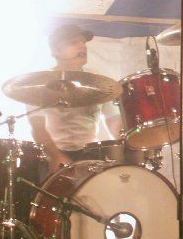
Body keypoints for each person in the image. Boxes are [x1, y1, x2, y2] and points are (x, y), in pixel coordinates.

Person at [28, 24, 122, 178]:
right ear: (55, 51)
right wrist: (54, 155)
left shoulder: (98, 81)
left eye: (83, 42)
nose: (82, 46)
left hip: (91, 155)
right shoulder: (42, 83)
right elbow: (37, 127)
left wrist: (123, 145)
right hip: (54, 153)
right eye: (73, 42)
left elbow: (113, 120)